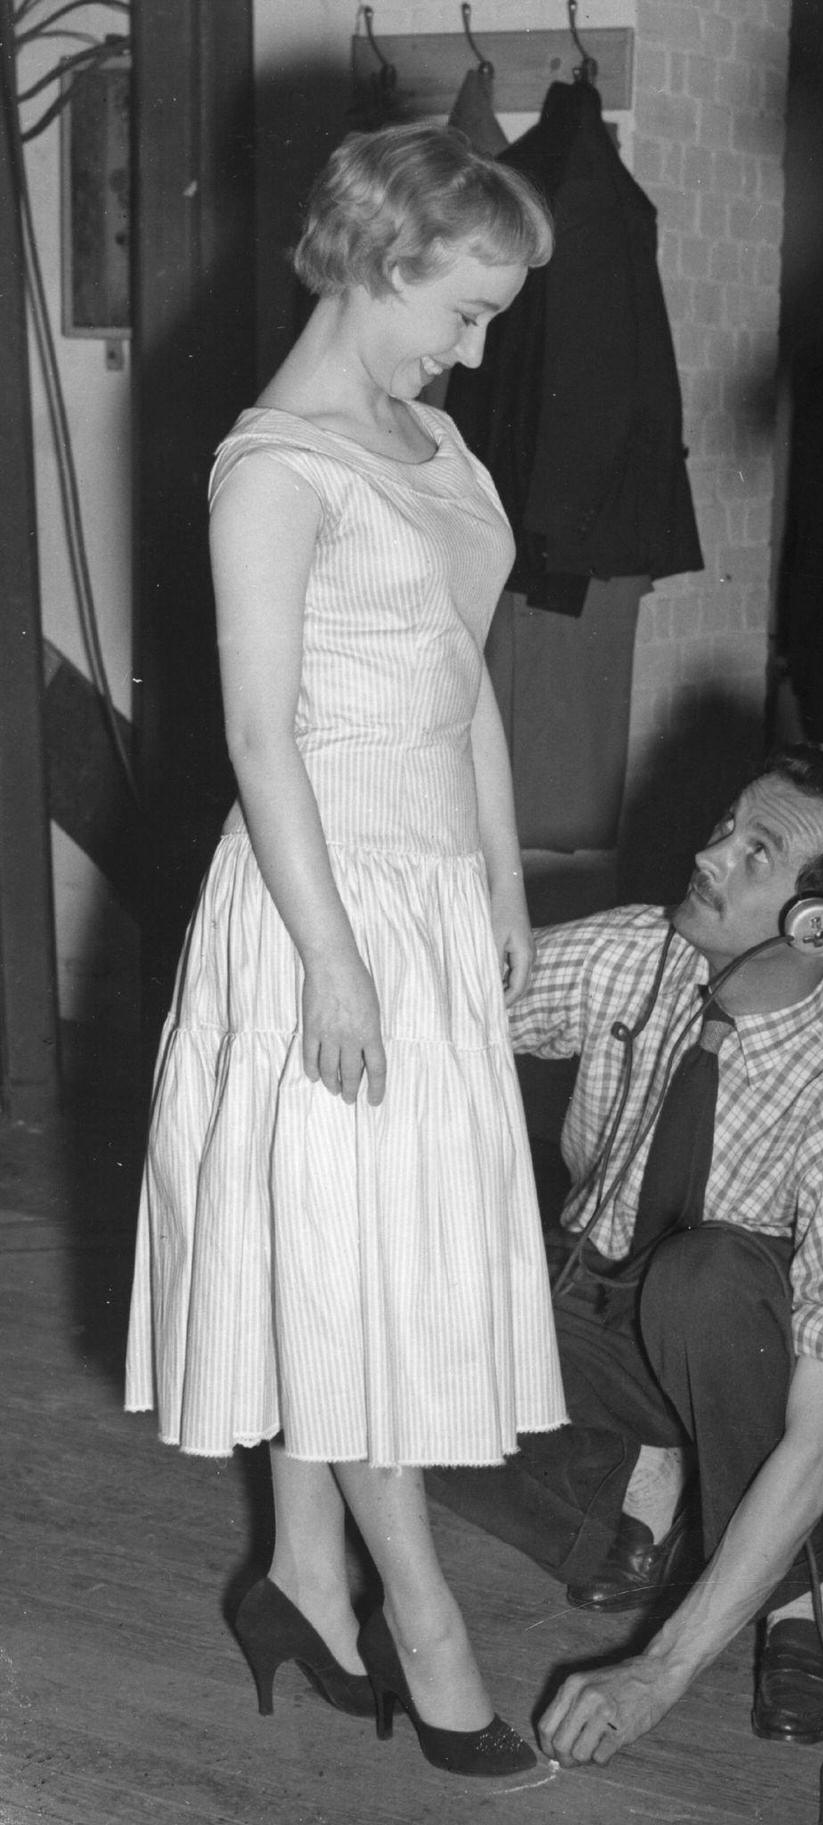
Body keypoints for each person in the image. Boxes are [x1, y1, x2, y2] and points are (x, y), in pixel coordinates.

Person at [123, 125, 569, 1778]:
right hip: (326, 902)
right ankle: (425, 1630)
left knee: (356, 1261)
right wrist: (329, 960)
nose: (474, 348)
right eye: (462, 310)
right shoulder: (273, 467)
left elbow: (467, 683)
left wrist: (507, 886)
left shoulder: (438, 446)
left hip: (436, 899)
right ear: (380, 266)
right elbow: (257, 737)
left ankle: (305, 1574)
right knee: (353, 1272)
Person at [428, 743, 823, 1763]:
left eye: (753, 852)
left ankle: (801, 1598)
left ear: (821, 926)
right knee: (349, 1372)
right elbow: (443, 998)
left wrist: (657, 1670)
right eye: (724, 825)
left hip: (722, 1352)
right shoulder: (634, 952)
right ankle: (633, 1499)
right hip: (580, 1302)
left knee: (709, 1277)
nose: (705, 854)